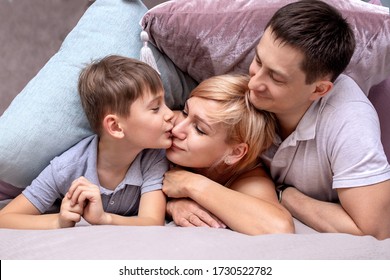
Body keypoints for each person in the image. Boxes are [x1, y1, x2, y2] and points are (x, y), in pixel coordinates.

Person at [169, 0, 390, 240]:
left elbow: (375, 231)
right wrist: (172, 202)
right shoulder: (252, 91)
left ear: (318, 90)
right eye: (259, 61)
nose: (253, 83)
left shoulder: (350, 122)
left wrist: (286, 195)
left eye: (276, 78)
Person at [0, 55, 174, 229]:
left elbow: (152, 222)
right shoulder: (67, 168)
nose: (171, 114)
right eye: (155, 108)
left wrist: (104, 219)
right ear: (115, 127)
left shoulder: (154, 158)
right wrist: (59, 221)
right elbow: (5, 218)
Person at [163, 74, 294, 235]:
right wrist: (169, 204)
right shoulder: (165, 124)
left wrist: (191, 184)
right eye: (185, 111)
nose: (176, 129)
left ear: (235, 152)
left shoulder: (248, 179)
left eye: (199, 129)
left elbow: (279, 228)